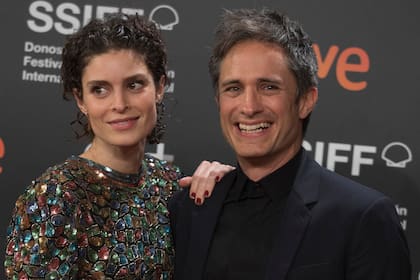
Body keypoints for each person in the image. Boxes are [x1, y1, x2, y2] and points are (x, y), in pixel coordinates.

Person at [169, 8, 411, 280]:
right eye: (233, 88)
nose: (249, 107)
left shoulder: (362, 218)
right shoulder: (189, 209)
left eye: (268, 87)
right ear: (219, 102)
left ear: (306, 100)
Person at [4, 14, 233, 279]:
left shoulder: (168, 183)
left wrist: (228, 187)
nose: (120, 104)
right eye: (100, 89)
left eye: (134, 84)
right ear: (81, 99)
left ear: (159, 86)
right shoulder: (55, 197)